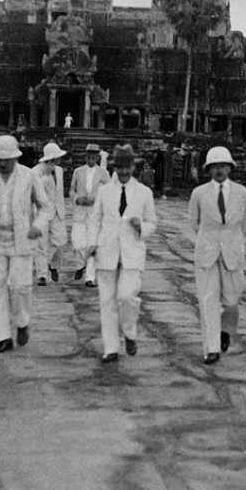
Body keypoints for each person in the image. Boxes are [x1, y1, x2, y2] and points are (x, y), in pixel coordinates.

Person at [0, 135, 52, 354]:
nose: (2, 163)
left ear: (15, 158)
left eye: (6, 159)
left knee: (20, 286)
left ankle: (22, 322)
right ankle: (3, 337)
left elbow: (45, 207)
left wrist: (38, 225)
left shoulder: (28, 176)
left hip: (21, 239)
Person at [86, 144, 157, 363]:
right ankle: (111, 348)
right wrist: (92, 243)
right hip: (106, 251)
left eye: (128, 168)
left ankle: (129, 332)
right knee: (107, 302)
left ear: (133, 167)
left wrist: (141, 227)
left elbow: (153, 223)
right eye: (120, 168)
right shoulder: (105, 191)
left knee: (127, 297)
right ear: (115, 168)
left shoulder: (144, 193)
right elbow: (95, 219)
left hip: (132, 252)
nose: (124, 172)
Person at [188, 146, 246, 365]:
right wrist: (210, 240)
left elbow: (244, 223)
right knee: (208, 301)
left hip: (232, 251)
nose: (219, 170)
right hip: (207, 252)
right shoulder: (199, 193)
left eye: (223, 166)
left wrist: (229, 242)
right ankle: (211, 348)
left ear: (230, 168)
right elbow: (194, 223)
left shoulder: (242, 193)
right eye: (214, 166)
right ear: (208, 170)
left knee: (231, 300)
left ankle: (226, 330)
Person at [69, 143, 110, 288]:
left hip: (95, 214)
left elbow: (109, 193)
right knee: (78, 244)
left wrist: (97, 200)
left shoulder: (104, 174)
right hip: (80, 213)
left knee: (92, 246)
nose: (91, 159)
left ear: (97, 157)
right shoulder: (78, 172)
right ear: (85, 156)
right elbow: (71, 191)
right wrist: (76, 199)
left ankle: (90, 278)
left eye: (93, 157)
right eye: (88, 156)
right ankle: (81, 264)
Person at [32, 142, 68, 286]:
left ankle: (51, 265)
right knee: (41, 244)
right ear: (51, 159)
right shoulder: (35, 172)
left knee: (60, 241)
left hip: (58, 211)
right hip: (42, 213)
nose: (59, 160)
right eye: (57, 157)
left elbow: (59, 192)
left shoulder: (59, 170)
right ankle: (41, 275)